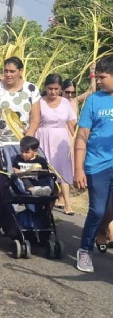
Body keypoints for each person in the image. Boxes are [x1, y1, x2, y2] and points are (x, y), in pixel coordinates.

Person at [74, 56, 113, 273]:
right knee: (97, 209)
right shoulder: (94, 100)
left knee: (109, 210)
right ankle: (84, 250)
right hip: (96, 164)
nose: (99, 81)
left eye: (103, 77)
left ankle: (101, 232)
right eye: (97, 77)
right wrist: (78, 168)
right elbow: (82, 136)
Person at [35, 73, 77, 214]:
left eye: (56, 89)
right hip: (43, 138)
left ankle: (67, 203)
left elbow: (71, 123)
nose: (53, 92)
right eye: (50, 88)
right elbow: (33, 122)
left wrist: (77, 140)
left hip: (61, 141)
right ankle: (45, 203)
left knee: (63, 171)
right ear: (46, 87)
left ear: (60, 89)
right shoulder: (39, 102)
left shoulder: (65, 103)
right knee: (46, 171)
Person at [0, 57, 41, 143]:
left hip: (24, 142)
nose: (8, 74)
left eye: (12, 71)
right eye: (6, 71)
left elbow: (35, 116)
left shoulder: (31, 89)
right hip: (0, 142)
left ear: (20, 71)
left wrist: (31, 132)